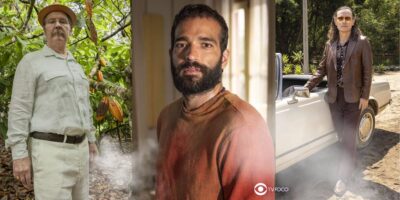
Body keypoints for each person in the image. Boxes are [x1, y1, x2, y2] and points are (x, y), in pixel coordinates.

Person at [155, 4, 275, 200]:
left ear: (224, 58)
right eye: (181, 44)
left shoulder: (243, 128)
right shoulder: (166, 116)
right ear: (171, 55)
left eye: (206, 44)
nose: (191, 55)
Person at [6, 4, 98, 199]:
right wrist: (19, 154)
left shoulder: (77, 67)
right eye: (51, 22)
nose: (57, 25)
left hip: (80, 150)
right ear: (44, 29)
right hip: (50, 152)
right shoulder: (31, 62)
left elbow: (85, 108)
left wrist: (91, 140)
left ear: (70, 30)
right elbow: (19, 109)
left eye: (63, 22)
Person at [303, 6, 373, 196]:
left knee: (349, 137)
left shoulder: (362, 42)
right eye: (340, 18)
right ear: (335, 20)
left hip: (353, 99)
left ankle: (343, 177)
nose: (344, 21)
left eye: (347, 18)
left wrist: (365, 96)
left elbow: (368, 71)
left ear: (353, 21)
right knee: (342, 136)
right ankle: (351, 162)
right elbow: (321, 70)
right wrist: (307, 87)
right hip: (334, 98)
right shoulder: (330, 44)